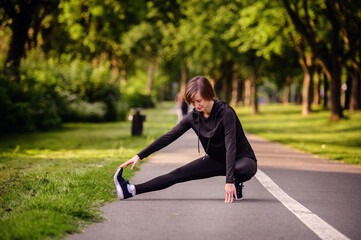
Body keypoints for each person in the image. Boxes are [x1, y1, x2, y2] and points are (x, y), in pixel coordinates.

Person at [114, 76, 257, 203]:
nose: (196, 105)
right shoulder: (193, 117)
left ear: (209, 94)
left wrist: (229, 181)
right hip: (216, 160)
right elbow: (168, 137)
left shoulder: (226, 113)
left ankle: (237, 183)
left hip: (242, 159)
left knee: (241, 168)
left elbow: (230, 145)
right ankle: (130, 190)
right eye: (193, 102)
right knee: (177, 174)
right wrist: (140, 155)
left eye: (199, 101)